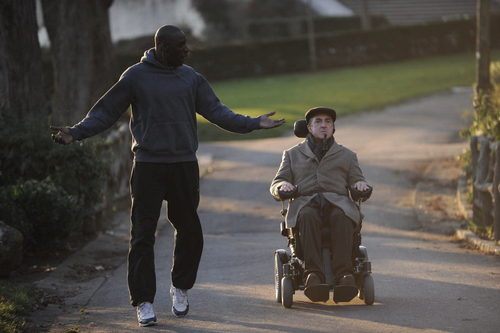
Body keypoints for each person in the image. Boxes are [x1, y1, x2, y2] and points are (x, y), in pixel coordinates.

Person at [50, 25, 285, 327]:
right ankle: (144, 302)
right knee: (142, 234)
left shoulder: (191, 78)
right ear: (162, 47)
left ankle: (180, 286)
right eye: (181, 45)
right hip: (148, 166)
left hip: (184, 164)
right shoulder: (135, 76)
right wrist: (76, 133)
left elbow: (216, 110)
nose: (187, 50)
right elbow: (106, 112)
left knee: (190, 231)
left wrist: (252, 123)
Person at [270, 106, 369, 303]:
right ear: (308, 127)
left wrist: (360, 185)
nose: (324, 125)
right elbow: (277, 182)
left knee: (341, 216)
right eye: (318, 122)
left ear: (333, 128)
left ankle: (345, 275)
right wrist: (283, 186)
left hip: (337, 203)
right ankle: (312, 274)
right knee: (307, 216)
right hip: (306, 203)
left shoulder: (347, 155)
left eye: (328, 122)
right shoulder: (292, 154)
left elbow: (358, 179)